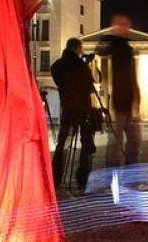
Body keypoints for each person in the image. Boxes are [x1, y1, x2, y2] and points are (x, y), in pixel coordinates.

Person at [50, 38, 97, 189]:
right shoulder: (80, 66)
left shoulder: (57, 66)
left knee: (62, 143)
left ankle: (55, 176)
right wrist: (86, 66)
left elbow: (61, 82)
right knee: (85, 143)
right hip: (82, 109)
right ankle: (82, 177)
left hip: (67, 107)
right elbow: (90, 87)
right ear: (77, 49)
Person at [96, 13, 142, 167]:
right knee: (116, 142)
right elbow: (100, 56)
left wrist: (136, 102)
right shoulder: (109, 44)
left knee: (134, 141)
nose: (124, 27)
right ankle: (112, 174)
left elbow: (132, 77)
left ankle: (131, 171)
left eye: (126, 24)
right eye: (121, 24)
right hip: (116, 103)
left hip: (129, 103)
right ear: (114, 26)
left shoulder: (127, 47)